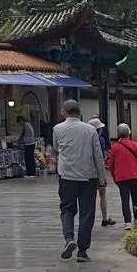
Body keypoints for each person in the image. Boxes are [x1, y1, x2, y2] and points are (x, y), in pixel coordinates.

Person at [50, 102, 104, 261]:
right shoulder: (90, 130)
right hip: (88, 177)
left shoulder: (57, 129)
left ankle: (69, 238)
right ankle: (82, 251)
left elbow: (56, 148)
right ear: (80, 112)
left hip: (67, 177)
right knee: (87, 213)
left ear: (63, 112)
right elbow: (98, 155)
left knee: (67, 209)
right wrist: (102, 179)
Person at [107, 127, 137, 225]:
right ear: (129, 134)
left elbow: (110, 165)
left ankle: (127, 222)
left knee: (124, 200)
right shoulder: (135, 145)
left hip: (121, 178)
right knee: (136, 199)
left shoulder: (114, 147)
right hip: (135, 177)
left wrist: (115, 177)